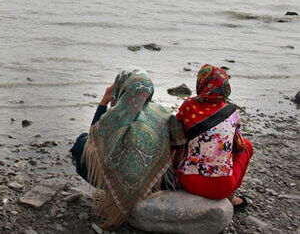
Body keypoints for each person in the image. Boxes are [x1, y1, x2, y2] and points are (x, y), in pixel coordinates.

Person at [69, 68, 186, 228]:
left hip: (116, 180)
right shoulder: (161, 113)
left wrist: (104, 101)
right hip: (153, 185)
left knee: (81, 143)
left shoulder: (116, 117)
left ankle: (116, 198)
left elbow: (94, 140)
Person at [176, 65, 253, 211]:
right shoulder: (232, 113)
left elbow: (176, 133)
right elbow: (239, 147)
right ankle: (231, 199)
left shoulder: (188, 106)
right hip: (222, 188)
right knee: (246, 146)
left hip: (188, 182)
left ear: (201, 83)